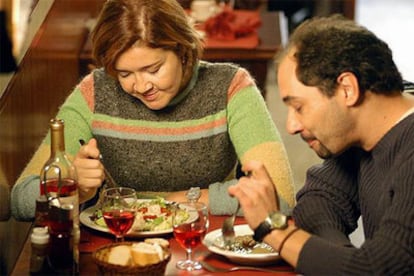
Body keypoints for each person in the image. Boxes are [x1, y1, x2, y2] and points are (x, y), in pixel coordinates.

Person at [11, 0, 295, 220]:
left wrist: (182, 199)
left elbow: (280, 198)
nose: (141, 85)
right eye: (124, 74)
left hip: (203, 242)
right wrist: (71, 187)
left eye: (153, 69)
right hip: (118, 247)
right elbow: (20, 198)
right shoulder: (95, 90)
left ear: (183, 50)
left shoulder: (231, 86)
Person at [229, 14, 414, 274]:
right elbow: (319, 198)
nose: (291, 126)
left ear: (347, 89)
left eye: (299, 106)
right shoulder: (367, 127)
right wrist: (342, 262)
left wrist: (273, 228)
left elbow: (380, 269)